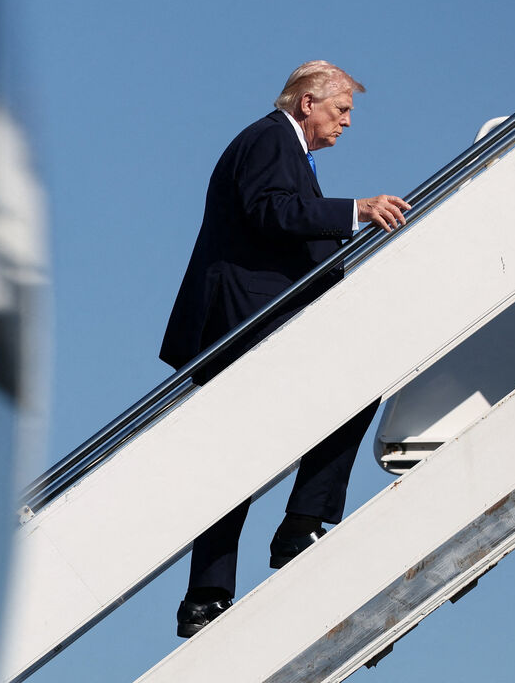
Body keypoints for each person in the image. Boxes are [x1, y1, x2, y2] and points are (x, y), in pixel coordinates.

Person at [158, 61, 410, 638]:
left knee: (239, 458)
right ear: (306, 104)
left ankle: (208, 593)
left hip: (251, 317)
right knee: (352, 391)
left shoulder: (279, 145)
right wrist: (357, 210)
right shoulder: (272, 139)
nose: (347, 123)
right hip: (246, 320)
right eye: (341, 110)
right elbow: (271, 211)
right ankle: (297, 525)